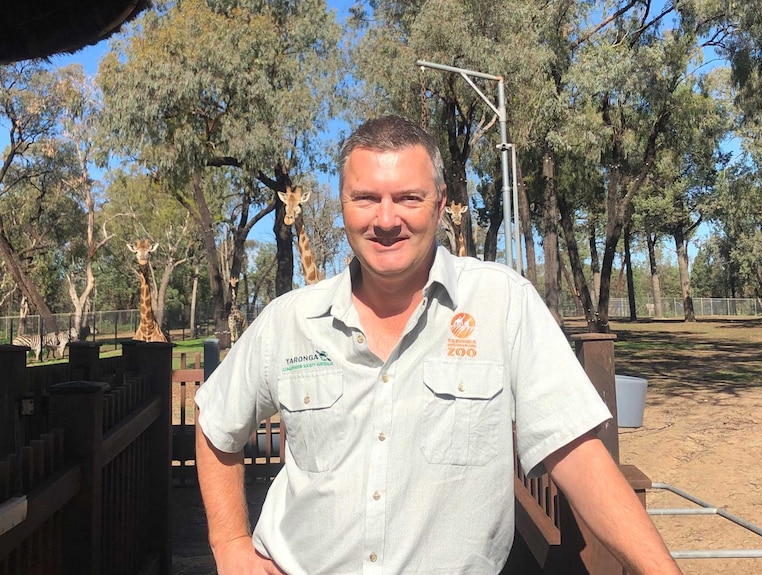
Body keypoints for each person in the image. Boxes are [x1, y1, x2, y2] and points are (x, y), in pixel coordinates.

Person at [195, 115, 682, 575]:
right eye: (365, 198)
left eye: (408, 198)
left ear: (440, 199)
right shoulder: (290, 320)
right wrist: (231, 545)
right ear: (342, 201)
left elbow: (576, 453)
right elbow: (217, 421)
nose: (386, 220)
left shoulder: (502, 303)